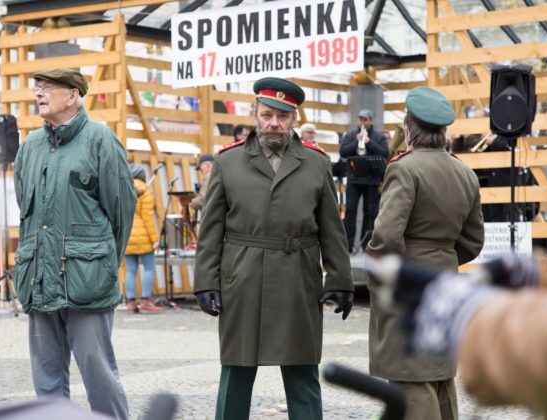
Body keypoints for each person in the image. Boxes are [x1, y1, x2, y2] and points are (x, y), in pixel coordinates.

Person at [194, 77, 354, 420]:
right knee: (236, 370)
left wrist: (340, 279)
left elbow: (331, 228)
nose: (274, 123)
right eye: (267, 115)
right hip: (242, 277)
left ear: (294, 118)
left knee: (302, 370)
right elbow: (211, 229)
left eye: (282, 116)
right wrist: (206, 282)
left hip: (298, 278)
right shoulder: (228, 161)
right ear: (255, 114)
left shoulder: (316, 162)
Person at [13, 68, 135, 419]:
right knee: (46, 377)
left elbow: (121, 212)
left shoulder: (100, 139)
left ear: (73, 95)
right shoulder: (29, 147)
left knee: (98, 371)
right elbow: (26, 210)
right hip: (39, 277)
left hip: (87, 280)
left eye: (47, 87)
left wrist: (98, 264)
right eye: (37, 87)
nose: (38, 93)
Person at [366, 86, 484, 420]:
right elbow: (473, 241)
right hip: (445, 278)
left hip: (408, 283)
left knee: (411, 379)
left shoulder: (404, 168)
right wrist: (441, 258)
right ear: (443, 132)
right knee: (440, 377)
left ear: (408, 128)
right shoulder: (464, 172)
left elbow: (386, 236)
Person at [368, 252, 547, 420]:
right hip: (446, 265)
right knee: (439, 385)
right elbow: (473, 238)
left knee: (415, 383)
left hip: (415, 269)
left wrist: (475, 320)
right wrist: (543, 275)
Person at [340, 109, 389, 252]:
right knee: (350, 211)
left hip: (371, 181)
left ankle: (365, 245)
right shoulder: (350, 135)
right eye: (360, 119)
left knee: (370, 213)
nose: (362, 122)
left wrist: (369, 142)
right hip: (353, 180)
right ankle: (348, 246)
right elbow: (343, 152)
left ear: (371, 121)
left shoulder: (378, 137)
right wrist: (357, 141)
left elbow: (385, 153)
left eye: (365, 120)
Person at [125, 164, 162, 313]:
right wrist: (155, 239)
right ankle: (145, 300)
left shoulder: (124, 189)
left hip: (127, 235)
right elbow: (147, 218)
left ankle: (130, 302)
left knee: (130, 270)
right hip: (143, 236)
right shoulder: (145, 190)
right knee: (149, 268)